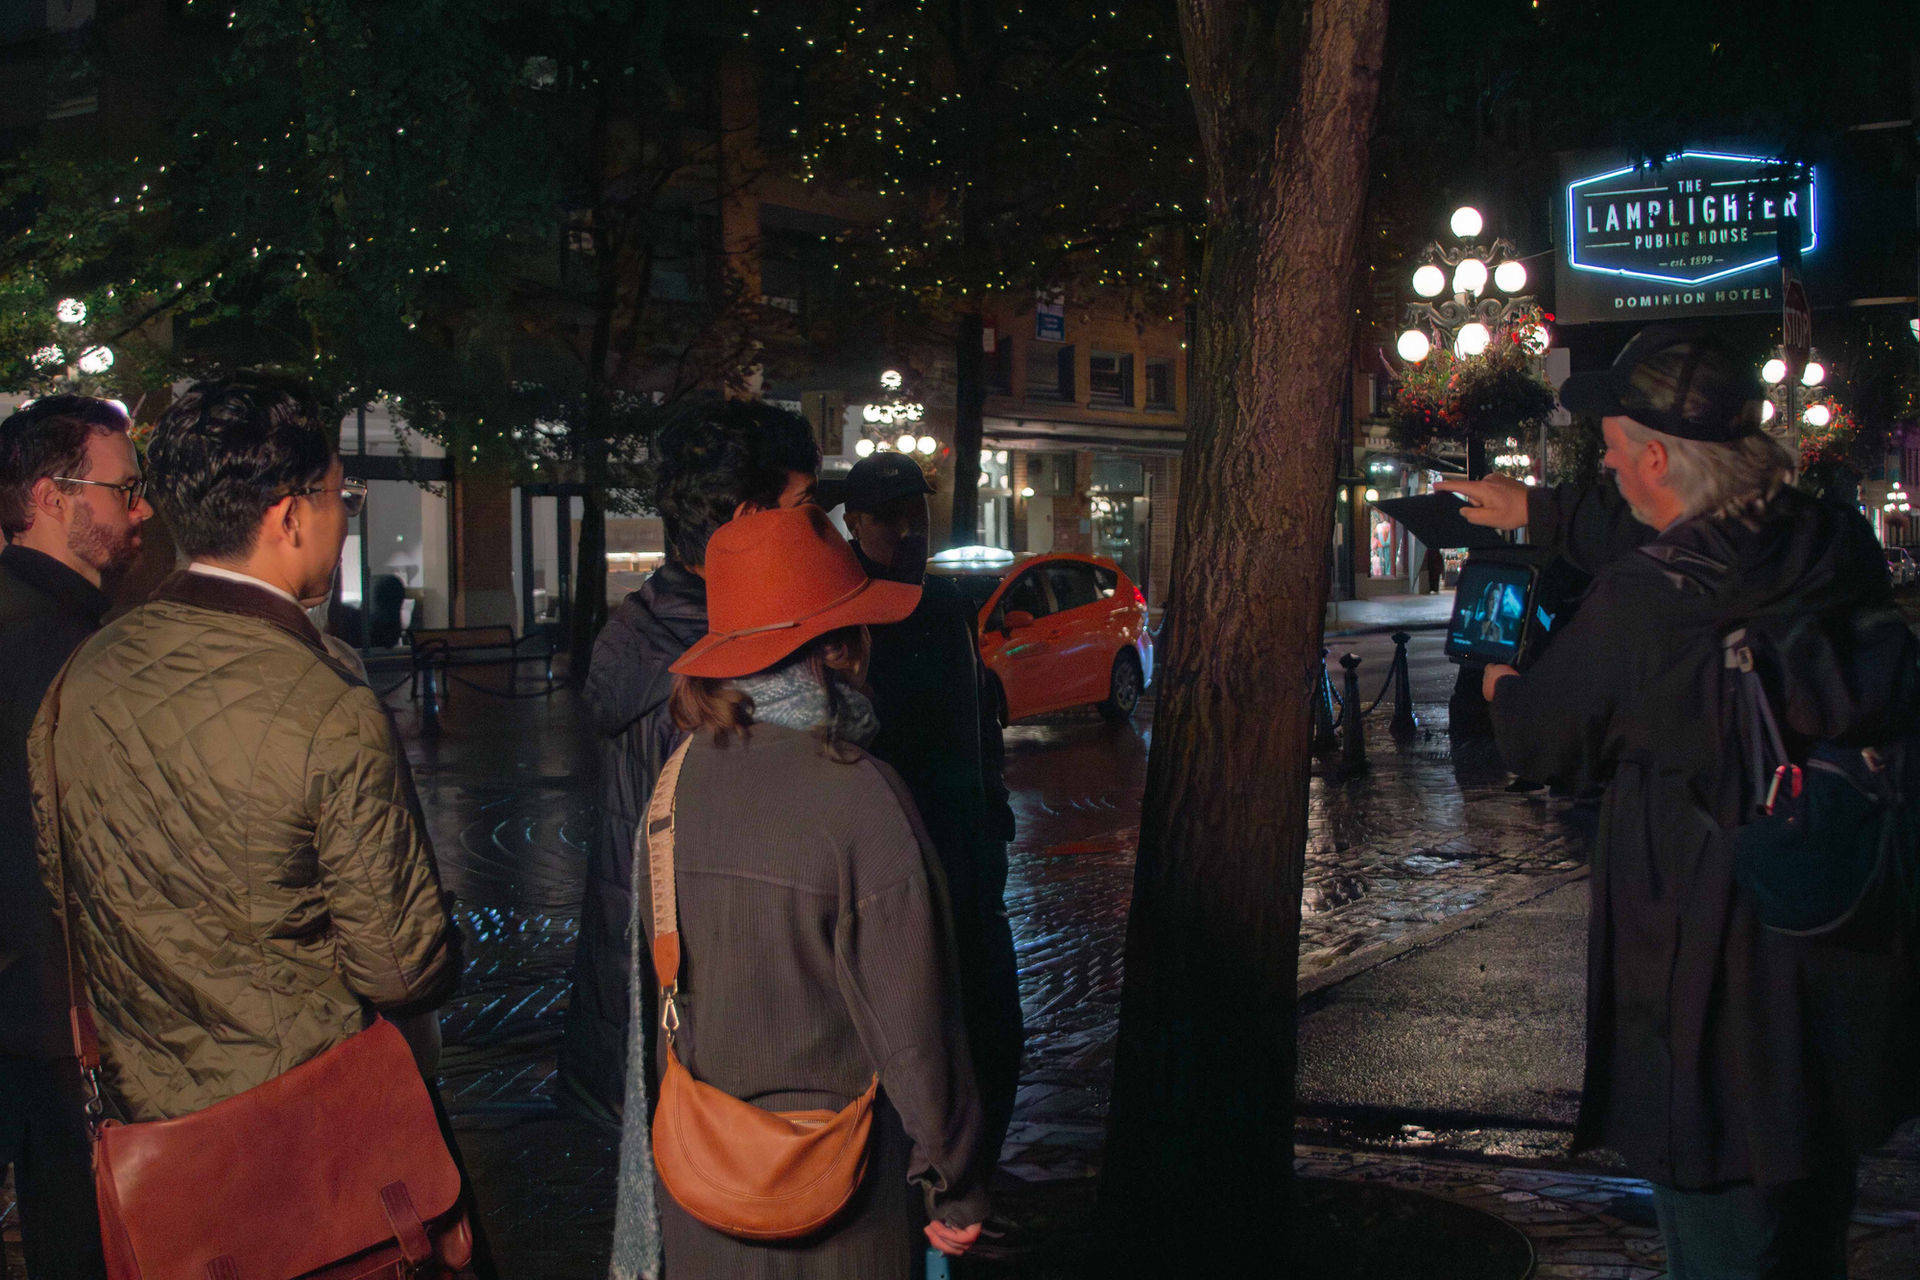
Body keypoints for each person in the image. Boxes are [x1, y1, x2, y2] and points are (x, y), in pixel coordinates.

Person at [1441, 325, 1919, 1279]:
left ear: (1657, 457)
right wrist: (1534, 510)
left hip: (1709, 965)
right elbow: (1685, 532)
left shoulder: (1644, 601)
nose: (1608, 468)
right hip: (1829, 951)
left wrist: (1500, 687)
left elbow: (1540, 734)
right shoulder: (1826, 538)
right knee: (1809, 1223)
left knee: (1719, 1235)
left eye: (1614, 451)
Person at [28, 376, 466, 1114]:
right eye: (342, 499)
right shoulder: (326, 701)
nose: (345, 519)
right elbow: (399, 966)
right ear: (292, 517)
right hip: (305, 1120)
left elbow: (64, 894)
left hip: (152, 1125)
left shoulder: (83, 674)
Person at [609, 503, 987, 1280]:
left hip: (699, 1194)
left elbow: (655, 1000)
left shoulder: (672, 788)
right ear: (843, 646)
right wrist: (956, 1184)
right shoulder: (861, 797)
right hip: (838, 1202)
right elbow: (916, 1030)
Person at [561, 400, 821, 1127]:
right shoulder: (725, 669)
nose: (813, 525)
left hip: (644, 1023)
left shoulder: (642, 629)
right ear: (747, 519)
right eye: (801, 505)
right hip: (714, 1049)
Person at [837, 451, 1023, 1171]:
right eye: (889, 517)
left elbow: (979, 722)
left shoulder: (944, 604)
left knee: (993, 1032)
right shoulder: (842, 607)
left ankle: (967, 1176)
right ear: (854, 522)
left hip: (965, 851)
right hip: (890, 855)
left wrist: (993, 813)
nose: (909, 529)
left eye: (915, 512)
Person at [0, 396, 150, 1280]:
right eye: (122, 490)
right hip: (65, 1012)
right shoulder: (64, 643)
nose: (140, 511)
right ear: (54, 497)